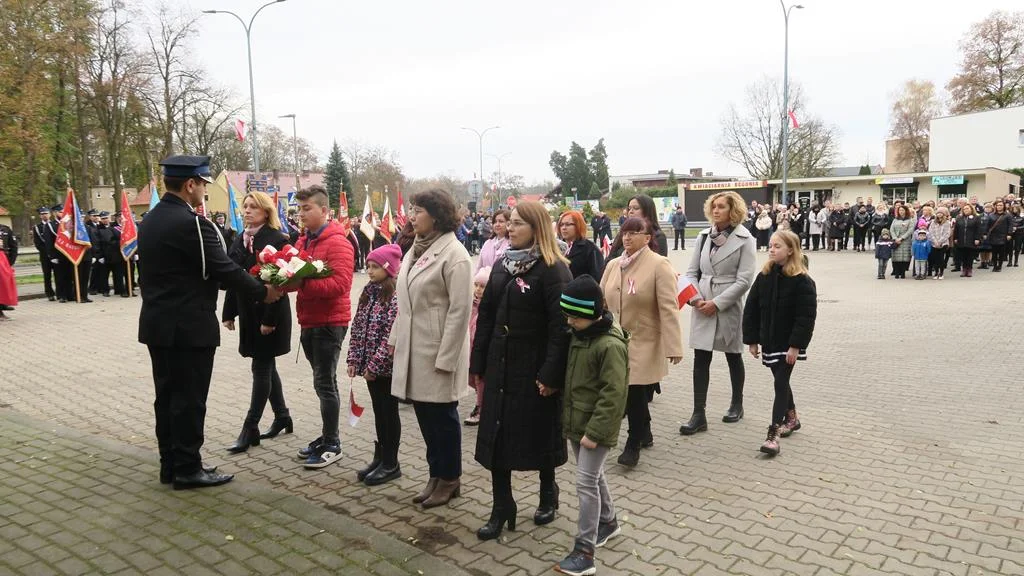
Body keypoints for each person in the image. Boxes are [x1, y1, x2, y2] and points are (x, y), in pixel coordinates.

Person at [138, 155, 282, 490]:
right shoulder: (194, 223)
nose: (204, 189)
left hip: (157, 324)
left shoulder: (151, 220)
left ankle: (171, 463)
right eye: (203, 183)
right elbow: (222, 270)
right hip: (189, 327)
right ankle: (188, 468)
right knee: (189, 399)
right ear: (190, 185)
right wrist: (262, 291)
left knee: (167, 397)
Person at [472, 201, 571, 539]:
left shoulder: (553, 269)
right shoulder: (501, 265)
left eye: (517, 224)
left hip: (535, 368)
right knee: (497, 435)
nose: (509, 229)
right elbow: (485, 317)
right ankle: (502, 505)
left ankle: (548, 492)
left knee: (540, 431)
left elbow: (562, 328)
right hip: (500, 366)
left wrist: (551, 373)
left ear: (536, 227)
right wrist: (478, 364)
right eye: (508, 223)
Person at [389, 189, 472, 510]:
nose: (412, 215)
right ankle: (435, 474)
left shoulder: (456, 255)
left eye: (418, 210)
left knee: (443, 418)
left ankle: (450, 478)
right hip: (414, 348)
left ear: (436, 215)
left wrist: (447, 358)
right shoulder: (416, 249)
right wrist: (396, 340)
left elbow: (460, 311)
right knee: (425, 416)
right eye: (411, 208)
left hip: (438, 351)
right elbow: (405, 304)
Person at [553, 275, 628, 576]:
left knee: (585, 483)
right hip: (577, 421)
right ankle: (608, 521)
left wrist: (595, 433)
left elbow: (614, 394)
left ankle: (585, 551)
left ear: (591, 313)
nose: (569, 322)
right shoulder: (581, 335)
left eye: (574, 316)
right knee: (593, 477)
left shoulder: (609, 346)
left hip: (596, 427)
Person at [600, 217, 683, 467]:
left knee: (633, 391)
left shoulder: (659, 265)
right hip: (616, 339)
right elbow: (601, 299)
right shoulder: (614, 264)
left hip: (644, 339)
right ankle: (644, 431)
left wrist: (673, 346)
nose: (627, 237)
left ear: (647, 238)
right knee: (629, 392)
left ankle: (633, 443)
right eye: (624, 232)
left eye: (634, 233)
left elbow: (669, 307)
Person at [221, 192, 294, 454]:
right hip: (248, 313)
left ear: (266, 212)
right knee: (265, 365)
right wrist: (229, 313)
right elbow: (233, 276)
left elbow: (280, 283)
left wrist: (269, 320)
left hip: (269, 314)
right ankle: (283, 415)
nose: (248, 211)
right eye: (246, 206)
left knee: (260, 367)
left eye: (254, 207)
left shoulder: (277, 239)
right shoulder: (240, 238)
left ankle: (250, 426)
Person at [680, 191, 756, 436]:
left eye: (721, 206)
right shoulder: (703, 237)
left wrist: (718, 303)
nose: (715, 210)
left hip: (728, 303)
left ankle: (737, 404)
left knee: (733, 354)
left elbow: (745, 280)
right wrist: (695, 297)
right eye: (713, 206)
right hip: (702, 302)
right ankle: (698, 414)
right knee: (701, 358)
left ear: (732, 210)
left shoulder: (746, 239)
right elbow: (691, 272)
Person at [292, 185, 356, 470]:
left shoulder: (338, 242)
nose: (301, 214)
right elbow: (292, 270)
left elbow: (340, 284)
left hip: (330, 323)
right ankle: (326, 436)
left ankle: (333, 444)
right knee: (321, 382)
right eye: (300, 209)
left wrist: (302, 282)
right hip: (310, 320)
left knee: (325, 383)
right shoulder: (304, 240)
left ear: (324, 211)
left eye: (307, 209)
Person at [743, 230, 816, 456]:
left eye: (777, 246)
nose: (771, 249)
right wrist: (752, 339)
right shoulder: (764, 276)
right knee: (780, 380)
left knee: (780, 382)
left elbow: (806, 317)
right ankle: (792, 418)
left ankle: (773, 433)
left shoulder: (802, 281)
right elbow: (751, 309)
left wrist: (796, 345)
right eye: (771, 246)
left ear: (791, 250)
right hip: (770, 341)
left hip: (789, 342)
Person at [347, 243, 403, 486]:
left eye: (375, 266)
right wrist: (354, 359)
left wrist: (375, 366)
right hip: (369, 367)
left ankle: (391, 462)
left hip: (385, 369)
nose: (369, 270)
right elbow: (358, 328)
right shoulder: (368, 292)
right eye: (368, 266)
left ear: (388, 268)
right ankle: (380, 457)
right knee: (379, 412)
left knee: (388, 413)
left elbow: (391, 336)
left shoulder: (394, 295)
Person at [464, 266, 491, 427]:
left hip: (481, 349)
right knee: (471, 378)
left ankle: (480, 407)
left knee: (480, 379)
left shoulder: (488, 306)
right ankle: (482, 402)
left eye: (482, 286)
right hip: (470, 347)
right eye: (476, 285)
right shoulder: (471, 305)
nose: (478, 290)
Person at [608, 195, 668, 259]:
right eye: (629, 208)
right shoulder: (623, 233)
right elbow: (610, 259)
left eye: (636, 208)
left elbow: (657, 264)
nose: (631, 211)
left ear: (647, 211)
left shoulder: (658, 236)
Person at [559, 210, 605, 280]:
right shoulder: (556, 247)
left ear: (578, 225)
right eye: (561, 225)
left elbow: (597, 276)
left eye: (568, 224)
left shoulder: (589, 248)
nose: (563, 228)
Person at [32, 206, 59, 301]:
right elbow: (38, 243)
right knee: (47, 275)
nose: (45, 215)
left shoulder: (55, 225)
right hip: (45, 256)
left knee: (58, 274)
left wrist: (54, 253)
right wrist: (48, 252)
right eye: (42, 214)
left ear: (50, 214)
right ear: (40, 216)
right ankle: (49, 293)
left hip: (56, 254)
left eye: (46, 213)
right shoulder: (37, 228)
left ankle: (59, 292)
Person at [953, 204, 982, 278]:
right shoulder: (959, 218)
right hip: (961, 239)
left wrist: (977, 238)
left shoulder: (976, 218)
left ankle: (969, 269)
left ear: (971, 209)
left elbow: (978, 229)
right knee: (962, 255)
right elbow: (956, 229)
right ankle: (964, 269)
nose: (966, 210)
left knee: (970, 256)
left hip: (971, 239)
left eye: (967, 208)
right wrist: (955, 238)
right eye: (964, 209)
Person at [984, 200, 1012, 272]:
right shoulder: (991, 215)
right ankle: (995, 265)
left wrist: (1009, 234)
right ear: (995, 206)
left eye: (1001, 205)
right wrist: (985, 233)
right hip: (993, 235)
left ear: (1004, 206)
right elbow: (987, 225)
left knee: (1001, 252)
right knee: (994, 252)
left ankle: (999, 266)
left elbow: (1010, 225)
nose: (999, 206)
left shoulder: (1007, 215)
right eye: (998, 205)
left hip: (1003, 235)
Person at [889, 205, 915, 279]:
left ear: (906, 211)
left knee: (904, 258)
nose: (901, 212)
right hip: (896, 240)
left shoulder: (910, 220)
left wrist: (902, 238)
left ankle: (903, 273)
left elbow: (910, 230)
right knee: (896, 257)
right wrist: (895, 238)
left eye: (903, 210)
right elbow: (891, 229)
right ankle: (897, 273)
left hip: (905, 241)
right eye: (900, 210)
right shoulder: (895, 219)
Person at [927, 208, 952, 280]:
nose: (939, 214)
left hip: (943, 243)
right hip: (934, 243)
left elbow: (947, 233)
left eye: (941, 213)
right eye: (938, 213)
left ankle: (941, 272)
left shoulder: (947, 222)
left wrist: (940, 242)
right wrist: (935, 241)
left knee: (941, 258)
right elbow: (930, 232)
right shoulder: (933, 222)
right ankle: (936, 272)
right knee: (935, 259)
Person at [0, 221, 17, 319]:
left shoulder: (5, 229)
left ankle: (2, 307)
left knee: (4, 286)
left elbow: (13, 246)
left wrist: (10, 262)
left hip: (3, 261)